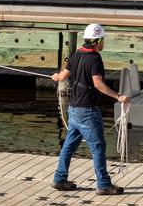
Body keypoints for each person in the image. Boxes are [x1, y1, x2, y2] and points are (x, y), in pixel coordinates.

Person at [49, 23, 130, 195]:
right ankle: (103, 184)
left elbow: (62, 76)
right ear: (97, 40)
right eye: (102, 40)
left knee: (68, 147)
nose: (103, 43)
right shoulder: (95, 59)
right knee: (98, 147)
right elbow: (98, 84)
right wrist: (118, 96)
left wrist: (56, 77)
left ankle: (59, 179)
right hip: (88, 111)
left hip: (73, 109)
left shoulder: (76, 54)